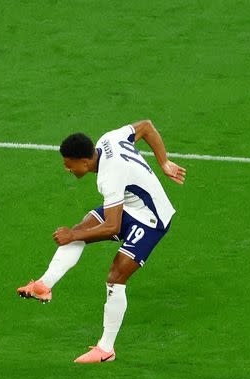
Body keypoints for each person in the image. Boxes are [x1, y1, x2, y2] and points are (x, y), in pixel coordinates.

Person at [17, 120, 185, 363]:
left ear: (84, 161)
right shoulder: (109, 139)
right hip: (130, 204)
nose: (67, 169)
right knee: (80, 228)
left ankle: (106, 349)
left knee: (116, 276)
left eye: (69, 165)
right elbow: (146, 126)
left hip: (151, 218)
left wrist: (72, 236)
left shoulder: (109, 177)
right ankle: (45, 284)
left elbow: (112, 227)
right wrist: (164, 162)